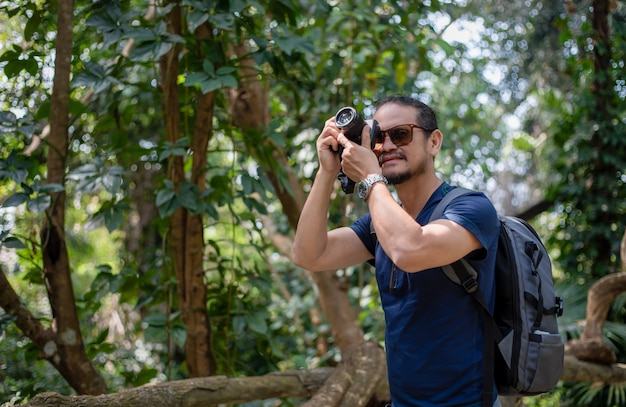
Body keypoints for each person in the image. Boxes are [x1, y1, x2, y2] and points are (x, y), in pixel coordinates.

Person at [292, 95, 501, 407]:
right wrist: (326, 172)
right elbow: (309, 255)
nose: (387, 146)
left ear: (434, 142)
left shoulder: (471, 207)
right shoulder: (380, 225)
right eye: (378, 137)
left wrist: (370, 179)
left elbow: (410, 250)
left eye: (401, 134)